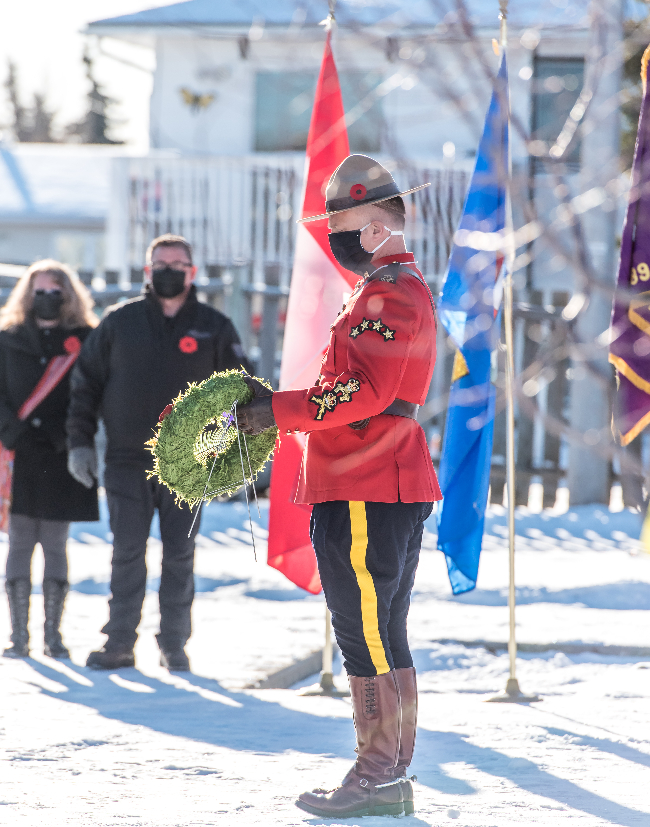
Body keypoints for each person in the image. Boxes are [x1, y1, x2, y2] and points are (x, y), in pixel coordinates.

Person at [237, 155, 441, 819]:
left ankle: (378, 771)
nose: (338, 240)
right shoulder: (384, 289)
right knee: (383, 628)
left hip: (366, 479)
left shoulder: (391, 294)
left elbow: (364, 390)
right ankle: (389, 772)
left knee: (365, 632)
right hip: (374, 477)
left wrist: (278, 409)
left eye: (348, 227)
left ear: (382, 225)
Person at [67, 234, 251, 672]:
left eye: (178, 263)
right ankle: (118, 643)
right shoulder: (119, 322)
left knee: (180, 554)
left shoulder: (214, 326)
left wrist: (235, 451)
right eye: (160, 263)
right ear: (147, 271)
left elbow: (243, 391)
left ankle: (173, 644)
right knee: (127, 551)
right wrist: (79, 442)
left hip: (189, 463)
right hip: (127, 460)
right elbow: (85, 386)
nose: (169, 270)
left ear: (192, 271)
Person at [0, 260, 99, 660]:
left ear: (68, 296)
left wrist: (70, 437)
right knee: (20, 541)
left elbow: (93, 391)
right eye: (39, 291)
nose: (47, 299)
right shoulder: (6, 339)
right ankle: (19, 637)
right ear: (27, 295)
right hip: (18, 452)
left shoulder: (86, 339)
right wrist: (16, 433)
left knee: (56, 544)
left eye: (55, 292)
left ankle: (53, 637)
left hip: (62, 453)